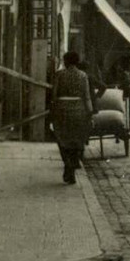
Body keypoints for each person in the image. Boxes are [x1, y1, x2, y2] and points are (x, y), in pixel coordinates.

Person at [51, 50, 96, 185]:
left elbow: (54, 95)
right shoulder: (83, 76)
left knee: (62, 138)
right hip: (79, 111)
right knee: (76, 139)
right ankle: (72, 164)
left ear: (65, 61)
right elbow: (87, 97)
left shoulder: (59, 74)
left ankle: (67, 164)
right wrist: (90, 113)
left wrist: (53, 109)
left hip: (62, 110)